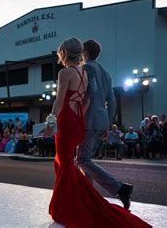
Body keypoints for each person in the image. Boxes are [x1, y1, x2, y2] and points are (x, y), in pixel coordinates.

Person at [46, 38, 150, 227]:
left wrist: (51, 122)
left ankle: (101, 195)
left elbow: (72, 98)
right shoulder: (103, 73)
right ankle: (81, 200)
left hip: (78, 121)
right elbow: (106, 98)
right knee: (75, 162)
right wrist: (104, 123)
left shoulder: (81, 70)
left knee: (76, 162)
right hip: (88, 120)